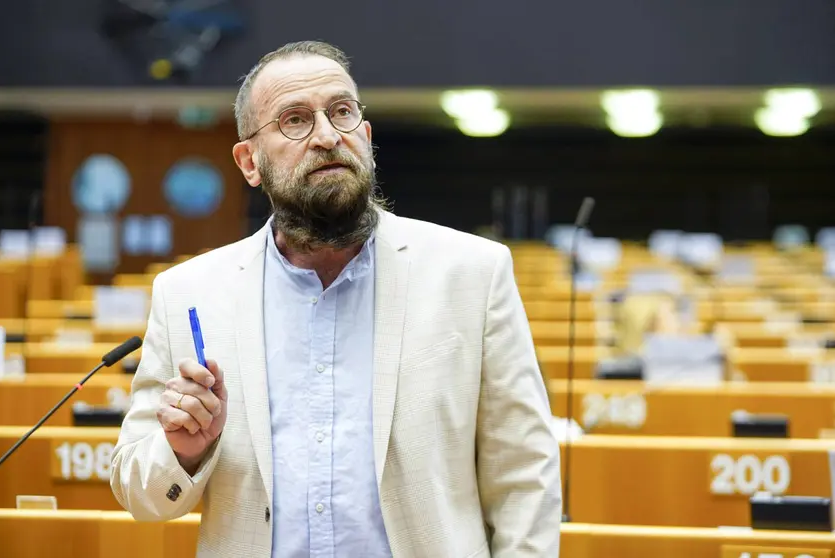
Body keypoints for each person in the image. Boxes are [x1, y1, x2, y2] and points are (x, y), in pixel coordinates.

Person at [110, 40, 561, 557]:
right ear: (249, 161)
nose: (328, 136)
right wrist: (184, 451)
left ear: (365, 137)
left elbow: (525, 474)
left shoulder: (472, 274)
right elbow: (139, 492)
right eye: (295, 120)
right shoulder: (189, 293)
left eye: (342, 113)